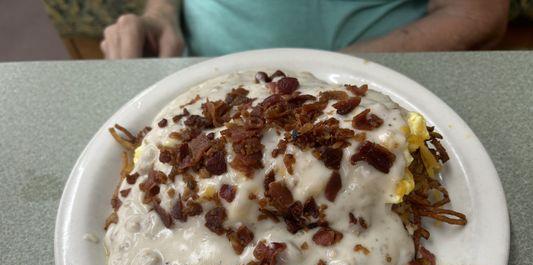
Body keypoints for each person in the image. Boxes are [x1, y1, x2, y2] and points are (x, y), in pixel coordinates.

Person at [100, 0, 509, 59]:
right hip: (197, 65)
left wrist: (342, 70)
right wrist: (160, 16)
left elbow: (477, 13)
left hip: (390, 76)